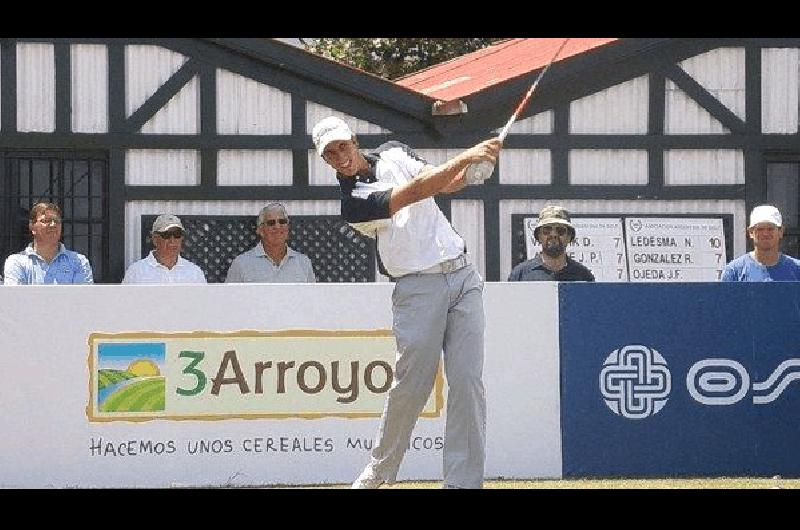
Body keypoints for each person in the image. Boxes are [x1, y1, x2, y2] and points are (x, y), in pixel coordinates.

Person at [312, 115, 502, 489]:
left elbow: (442, 182)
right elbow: (413, 192)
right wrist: (467, 157)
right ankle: (381, 470)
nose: (340, 156)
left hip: (463, 275)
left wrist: (475, 171)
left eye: (342, 146)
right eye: (331, 155)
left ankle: (463, 483)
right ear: (327, 161)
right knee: (411, 386)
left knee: (467, 382)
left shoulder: (394, 151)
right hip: (417, 288)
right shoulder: (353, 202)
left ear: (353, 138)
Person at [3, 202, 94, 285]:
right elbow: (16, 299)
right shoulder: (17, 262)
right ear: (32, 227)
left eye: (57, 221)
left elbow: (83, 299)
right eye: (46, 221)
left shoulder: (78, 262)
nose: (53, 225)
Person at [225, 203, 316, 283]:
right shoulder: (241, 264)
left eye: (282, 222)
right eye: (271, 223)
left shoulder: (304, 263)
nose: (277, 226)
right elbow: (229, 299)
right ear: (260, 230)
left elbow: (312, 299)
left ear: (288, 228)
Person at [508, 205, 595, 282]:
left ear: (569, 237)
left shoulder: (584, 276)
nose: (553, 234)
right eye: (547, 230)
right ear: (539, 236)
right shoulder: (520, 275)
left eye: (560, 230)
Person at [721, 204, 800, 281]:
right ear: (751, 232)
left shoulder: (797, 269)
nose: (765, 233)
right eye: (760, 229)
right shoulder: (734, 272)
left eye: (770, 229)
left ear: (781, 231)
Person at [122, 214, 206, 284]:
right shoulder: (136, 272)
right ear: (155, 239)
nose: (172, 240)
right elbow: (124, 302)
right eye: (166, 235)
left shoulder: (194, 273)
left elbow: (204, 303)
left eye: (177, 234)